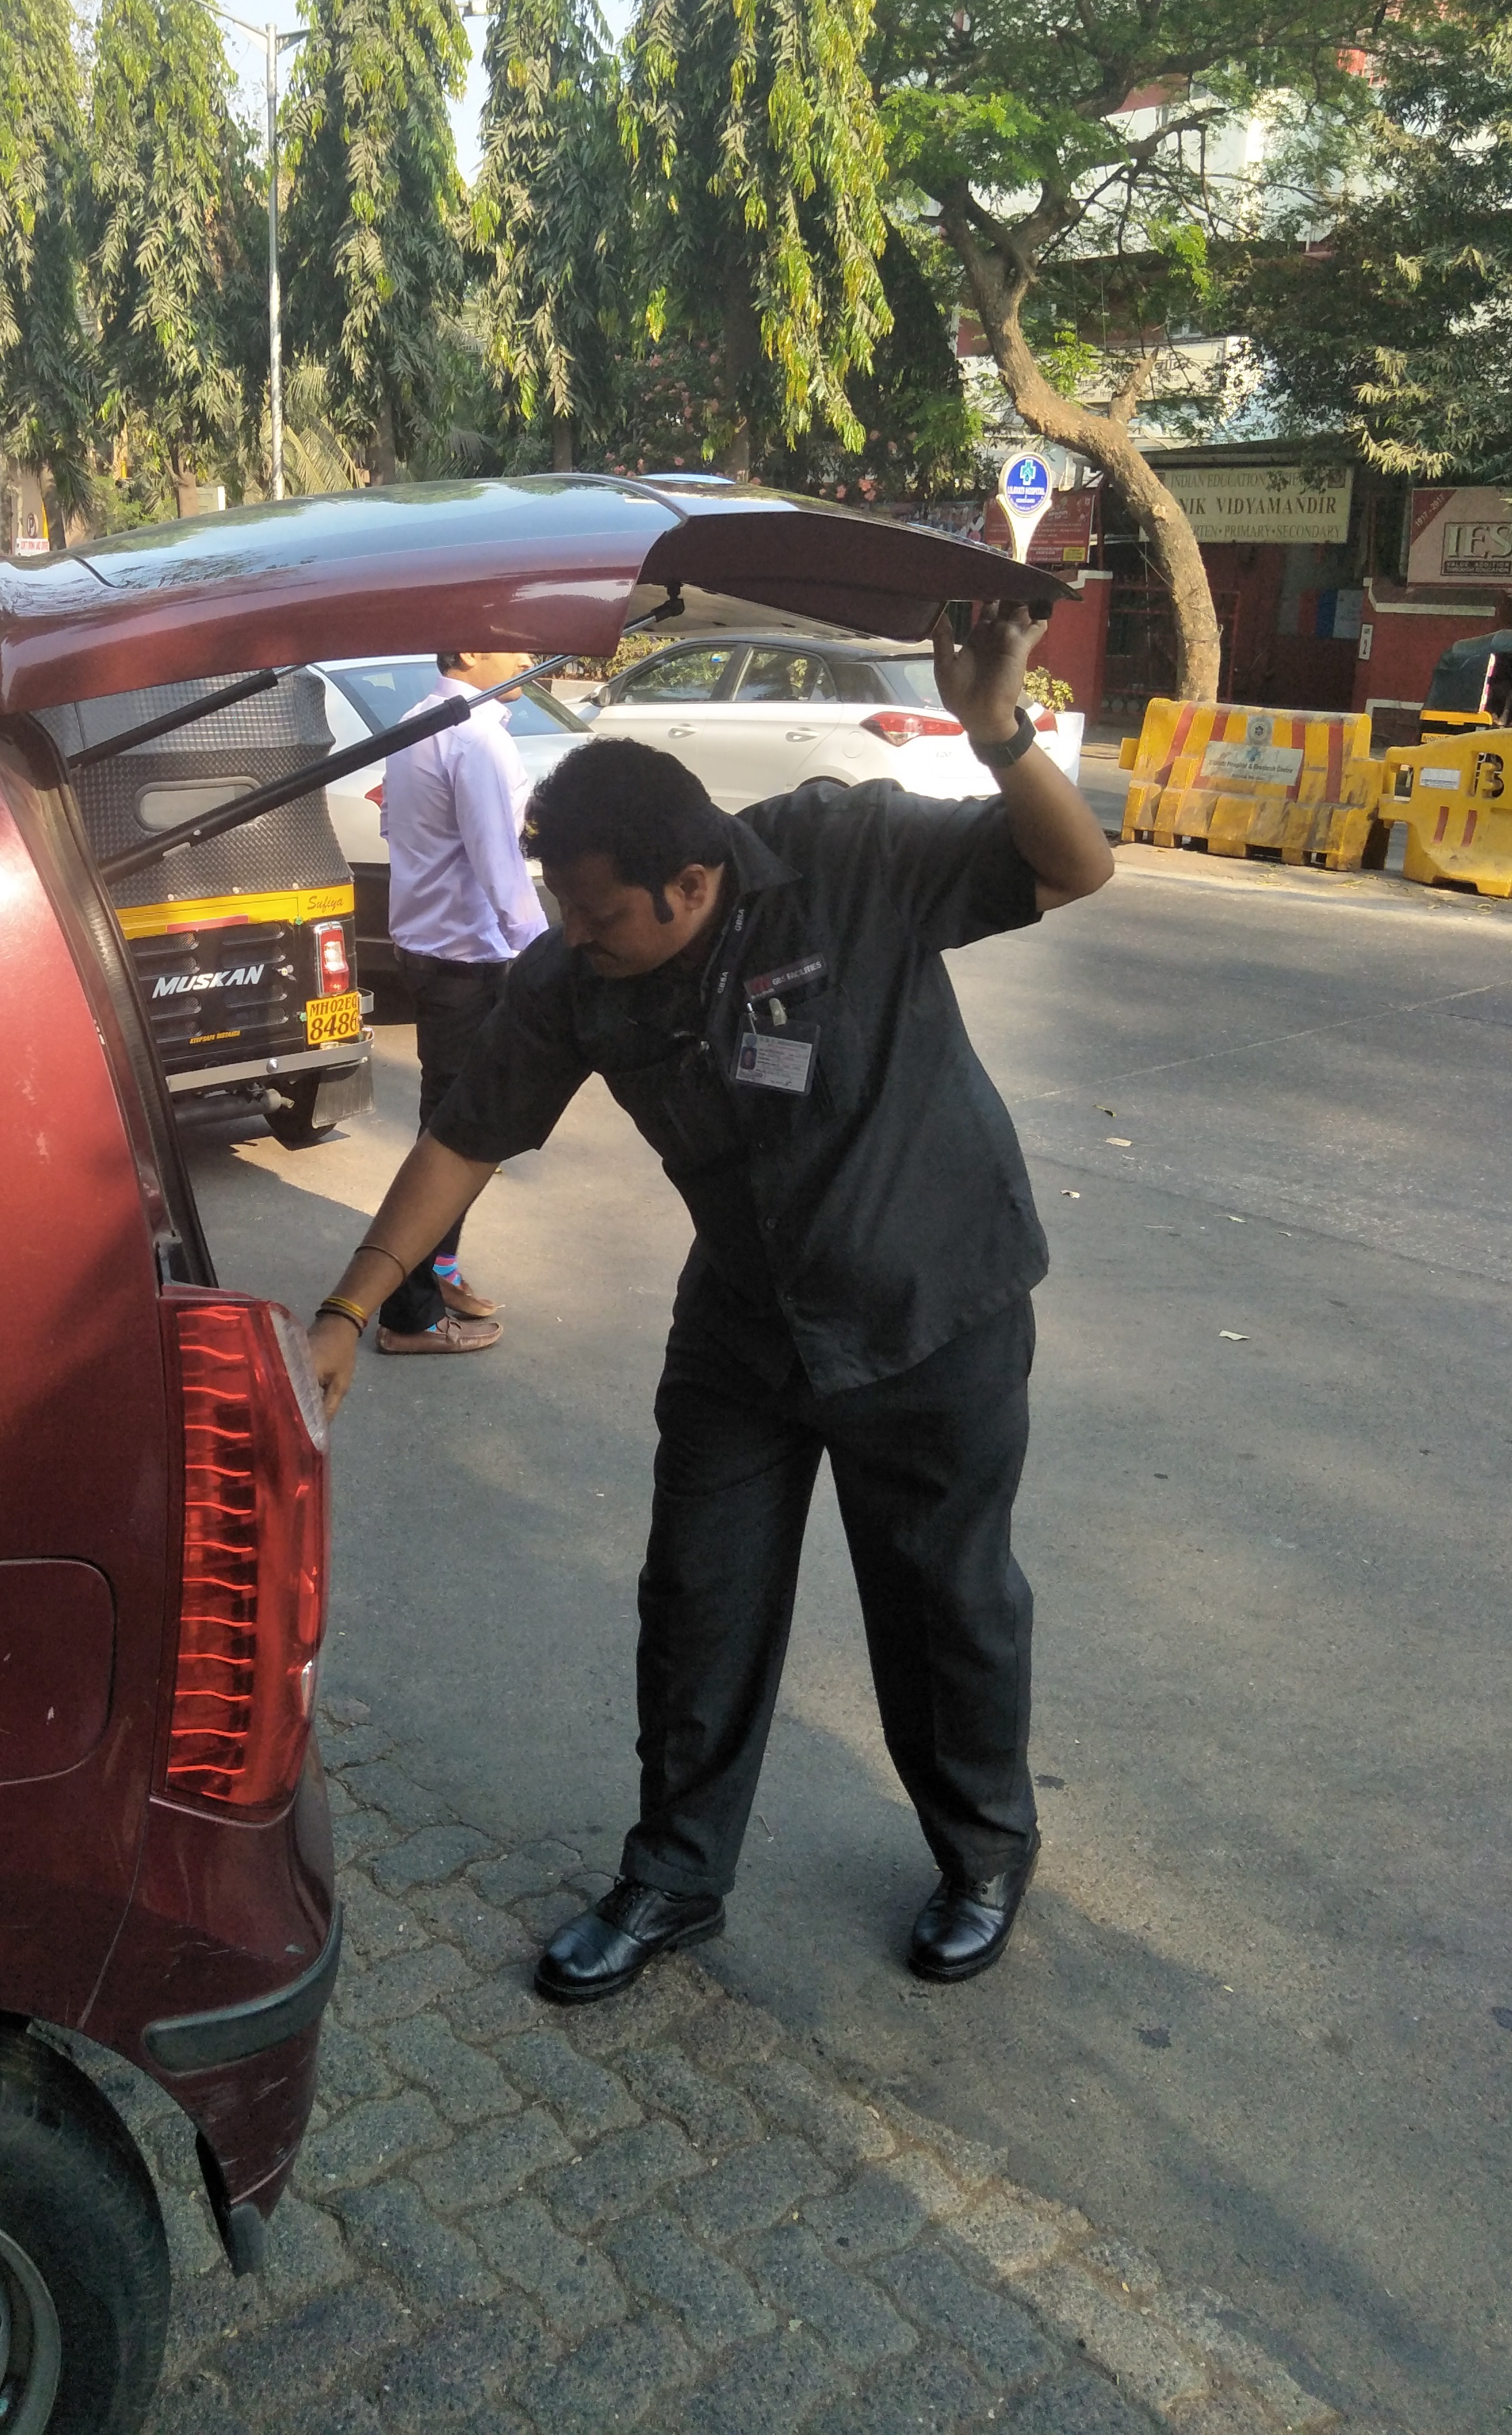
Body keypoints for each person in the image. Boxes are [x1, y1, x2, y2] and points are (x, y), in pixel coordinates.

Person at [308, 600, 1115, 2000]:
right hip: (746, 1322)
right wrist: (351, 1304)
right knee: (698, 1596)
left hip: (932, 1306)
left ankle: (984, 1853)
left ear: (690, 882)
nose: (573, 935)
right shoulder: (574, 974)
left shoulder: (846, 856)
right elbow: (464, 1135)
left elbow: (1072, 866)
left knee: (942, 1601)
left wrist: (995, 728)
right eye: (563, 907)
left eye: (599, 913)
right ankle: (674, 1878)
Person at [370, 648, 549, 1358]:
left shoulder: (419, 721)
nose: (531, 656)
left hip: (432, 951)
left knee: (460, 1127)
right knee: (451, 1138)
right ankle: (407, 1314)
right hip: (467, 962)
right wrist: (544, 957)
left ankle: (439, 1270)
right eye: (516, 642)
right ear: (470, 652)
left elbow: (400, 833)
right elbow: (498, 860)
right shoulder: (473, 737)